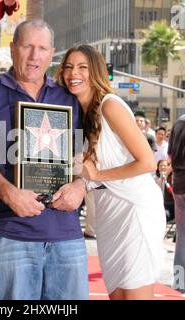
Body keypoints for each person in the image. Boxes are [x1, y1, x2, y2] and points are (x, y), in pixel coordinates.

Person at [0, 19, 88, 300]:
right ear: (13, 49)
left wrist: (81, 186)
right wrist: (10, 194)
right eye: (27, 46)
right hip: (11, 231)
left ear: (52, 54)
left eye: (42, 48)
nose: (34, 55)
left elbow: (81, 157)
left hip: (66, 231)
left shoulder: (68, 98)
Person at [55, 45, 166, 300]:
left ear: (95, 71)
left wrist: (96, 176)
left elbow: (147, 162)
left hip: (134, 209)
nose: (74, 72)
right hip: (107, 212)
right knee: (117, 295)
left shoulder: (110, 105)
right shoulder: (76, 114)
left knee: (134, 295)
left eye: (82, 66)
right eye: (69, 66)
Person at [168, 115, 185, 293]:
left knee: (182, 234)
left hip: (179, 181)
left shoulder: (179, 121)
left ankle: (180, 282)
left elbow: (170, 153)